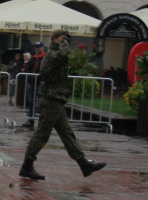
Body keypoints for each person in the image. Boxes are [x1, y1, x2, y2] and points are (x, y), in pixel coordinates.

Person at [19, 29, 106, 180]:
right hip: (51, 99)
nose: (66, 41)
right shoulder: (52, 55)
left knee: (67, 134)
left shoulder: (55, 54)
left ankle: (83, 164)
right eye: (63, 38)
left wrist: (63, 41)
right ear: (56, 39)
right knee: (42, 135)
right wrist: (64, 42)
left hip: (56, 99)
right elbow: (63, 55)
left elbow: (63, 56)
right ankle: (26, 166)